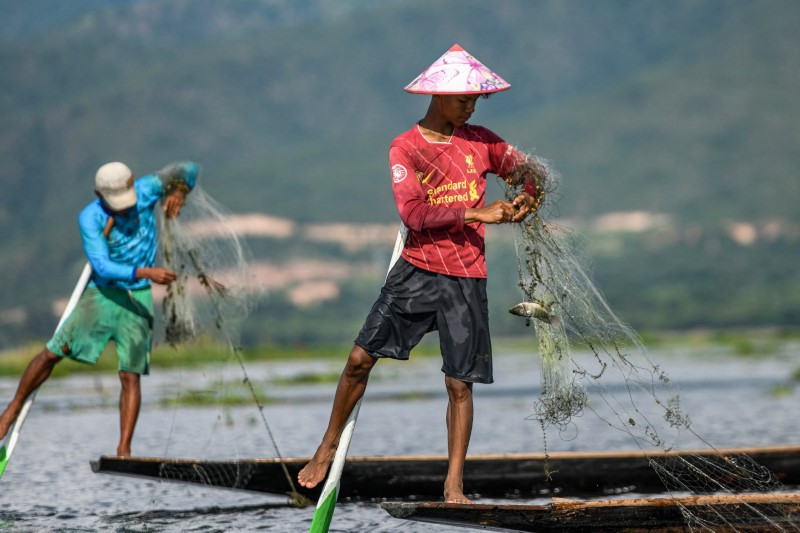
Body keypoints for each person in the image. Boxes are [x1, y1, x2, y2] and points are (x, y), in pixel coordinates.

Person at [298, 44, 544, 503]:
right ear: (437, 96)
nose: (469, 108)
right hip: (417, 270)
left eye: (474, 101)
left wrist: (528, 197)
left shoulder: (483, 142)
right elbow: (413, 214)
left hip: (467, 277)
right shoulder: (405, 147)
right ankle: (327, 444)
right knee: (358, 360)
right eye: (462, 100)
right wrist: (477, 213)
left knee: (459, 384)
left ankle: (454, 485)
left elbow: (529, 173)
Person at [0, 160, 198, 457]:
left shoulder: (147, 189)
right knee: (53, 352)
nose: (124, 209)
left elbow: (189, 168)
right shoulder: (90, 217)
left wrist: (180, 192)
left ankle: (124, 450)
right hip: (103, 293)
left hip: (137, 298)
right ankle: (12, 408)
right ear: (98, 194)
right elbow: (102, 264)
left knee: (130, 375)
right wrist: (147, 272)